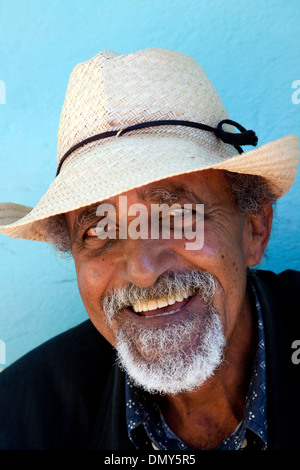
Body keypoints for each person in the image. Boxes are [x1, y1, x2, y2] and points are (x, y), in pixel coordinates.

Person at [0, 48, 299, 451]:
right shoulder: (21, 417)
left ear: (254, 229)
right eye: (99, 230)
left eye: (175, 214)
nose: (142, 270)